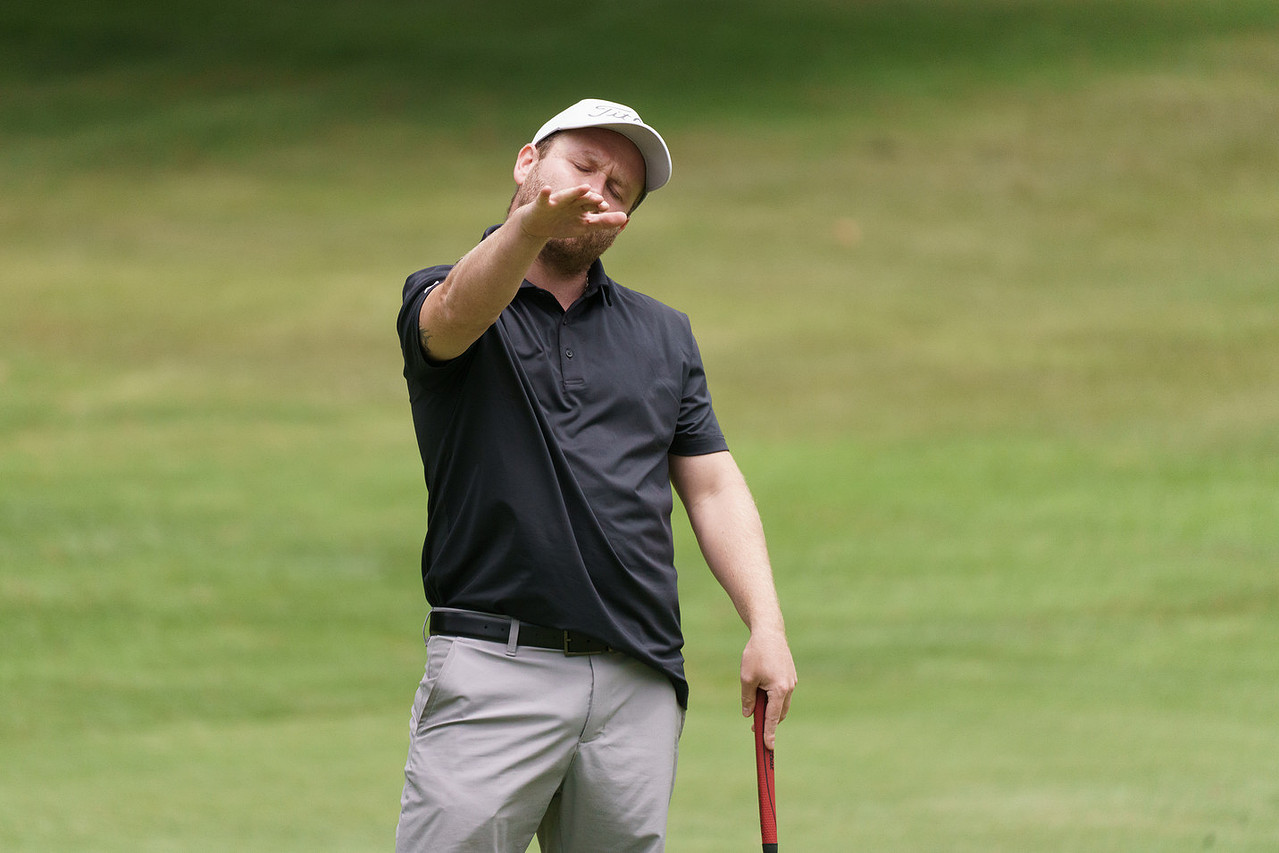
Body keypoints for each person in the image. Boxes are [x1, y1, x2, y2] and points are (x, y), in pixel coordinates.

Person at [394, 98, 797, 853]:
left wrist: (765, 626)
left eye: (618, 190)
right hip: (495, 665)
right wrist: (528, 228)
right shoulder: (446, 292)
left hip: (637, 680)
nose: (596, 190)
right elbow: (453, 318)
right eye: (583, 166)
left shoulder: (663, 333)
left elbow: (713, 485)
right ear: (527, 162)